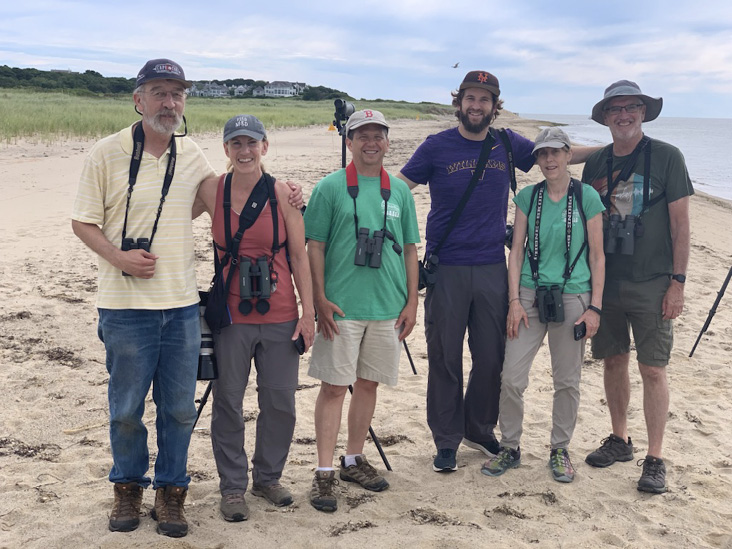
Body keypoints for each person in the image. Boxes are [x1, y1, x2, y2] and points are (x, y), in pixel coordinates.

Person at [397, 71, 598, 472]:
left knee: (492, 358)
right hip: (447, 267)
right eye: (470, 98)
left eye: (484, 100)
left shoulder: (507, 143)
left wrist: (616, 147)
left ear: (494, 106)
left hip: (493, 265)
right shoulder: (436, 146)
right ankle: (447, 440)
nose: (476, 106)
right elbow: (398, 186)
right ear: (460, 102)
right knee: (444, 357)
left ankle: (479, 428)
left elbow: (558, 152)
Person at [71, 59, 216, 538]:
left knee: (178, 409)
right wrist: (120, 258)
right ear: (138, 100)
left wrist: (287, 192)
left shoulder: (193, 153)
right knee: (126, 409)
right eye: (159, 92)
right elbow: (83, 222)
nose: (169, 103)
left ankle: (171, 493)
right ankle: (128, 487)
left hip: (180, 306)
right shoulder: (106, 152)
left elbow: (221, 197)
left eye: (177, 94)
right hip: (124, 307)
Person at [193, 114, 315, 521]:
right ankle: (232, 488)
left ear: (265, 146)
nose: (244, 151)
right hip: (230, 315)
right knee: (227, 401)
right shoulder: (212, 189)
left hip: (280, 313)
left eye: (252, 143)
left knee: (279, 401)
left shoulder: (283, 193)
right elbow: (168, 214)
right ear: (225, 149)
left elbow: (299, 255)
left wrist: (308, 312)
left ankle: (268, 477)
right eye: (236, 144)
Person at [304, 109, 420, 513]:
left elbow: (409, 249)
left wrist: (412, 300)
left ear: (388, 142)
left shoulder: (400, 191)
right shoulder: (330, 188)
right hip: (341, 307)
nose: (371, 143)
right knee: (334, 387)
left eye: (378, 136)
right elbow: (313, 246)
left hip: (388, 307)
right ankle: (322, 472)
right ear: (349, 142)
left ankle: (353, 458)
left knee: (368, 384)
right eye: (362, 136)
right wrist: (318, 300)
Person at [581, 80, 692, 494]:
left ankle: (656, 456)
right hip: (605, 282)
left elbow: (682, 225)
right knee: (612, 360)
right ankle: (620, 438)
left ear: (643, 112)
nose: (624, 115)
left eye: (632, 107)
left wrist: (677, 283)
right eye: (616, 109)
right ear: (606, 117)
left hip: (652, 281)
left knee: (653, 368)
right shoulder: (596, 163)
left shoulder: (667, 157)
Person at [480, 127, 605, 483]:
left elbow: (598, 256)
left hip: (573, 296)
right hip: (530, 297)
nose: (549, 160)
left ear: (568, 155)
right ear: (535, 160)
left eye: (556, 152)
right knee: (512, 377)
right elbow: (516, 252)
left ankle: (560, 449)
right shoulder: (527, 199)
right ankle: (510, 446)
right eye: (542, 154)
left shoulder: (587, 197)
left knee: (567, 380)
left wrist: (594, 307)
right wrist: (514, 301)